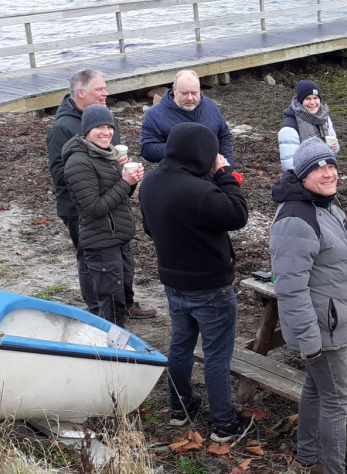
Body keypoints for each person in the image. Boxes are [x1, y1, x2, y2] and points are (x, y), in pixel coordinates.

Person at [270, 137, 347, 474]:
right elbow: (289, 288)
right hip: (322, 327)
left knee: (316, 390)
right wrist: (309, 340)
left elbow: (332, 255)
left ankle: (307, 460)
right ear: (303, 175)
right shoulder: (295, 219)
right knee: (336, 399)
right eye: (319, 168)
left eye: (331, 165)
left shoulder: (325, 205)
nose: (329, 173)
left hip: (329, 319)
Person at [140, 123, 253, 441]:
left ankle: (180, 409)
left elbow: (149, 229)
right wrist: (225, 173)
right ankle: (224, 425)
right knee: (216, 355)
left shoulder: (150, 183)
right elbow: (238, 214)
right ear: (201, 153)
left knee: (181, 346)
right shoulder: (200, 191)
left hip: (174, 281)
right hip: (211, 287)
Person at [46, 68, 156, 319]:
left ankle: (125, 305)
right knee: (90, 261)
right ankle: (98, 311)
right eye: (100, 89)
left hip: (112, 200)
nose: (106, 93)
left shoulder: (105, 120)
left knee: (121, 260)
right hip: (79, 209)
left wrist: (120, 169)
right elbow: (61, 175)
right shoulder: (63, 128)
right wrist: (106, 172)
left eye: (105, 88)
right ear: (81, 93)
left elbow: (108, 158)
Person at [61, 105, 142, 328]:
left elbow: (118, 197)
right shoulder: (78, 162)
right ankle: (112, 346)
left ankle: (119, 340)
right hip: (101, 243)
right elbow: (94, 208)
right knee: (111, 305)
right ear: (87, 130)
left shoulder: (107, 155)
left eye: (109, 127)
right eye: (99, 127)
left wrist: (130, 181)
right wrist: (124, 182)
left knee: (121, 296)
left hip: (118, 238)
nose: (106, 132)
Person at [140, 69, 234, 165]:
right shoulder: (155, 114)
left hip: (211, 170)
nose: (190, 98)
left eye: (194, 93)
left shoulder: (210, 106)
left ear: (199, 89)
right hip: (177, 172)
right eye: (184, 93)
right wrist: (180, 148)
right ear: (174, 90)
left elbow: (224, 136)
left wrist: (228, 165)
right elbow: (147, 149)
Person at [278, 80, 339, 171]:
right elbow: (289, 167)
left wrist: (334, 148)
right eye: (307, 98)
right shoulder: (289, 128)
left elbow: (334, 150)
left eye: (315, 98)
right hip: (304, 176)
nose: (312, 102)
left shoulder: (324, 118)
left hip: (325, 173)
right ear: (300, 101)